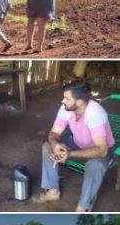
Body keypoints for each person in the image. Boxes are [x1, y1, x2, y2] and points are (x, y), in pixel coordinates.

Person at [32, 80, 115, 211]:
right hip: (78, 144)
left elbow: (102, 150)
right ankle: (53, 191)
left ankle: (83, 207)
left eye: (67, 98)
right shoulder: (67, 108)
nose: (62, 101)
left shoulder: (95, 114)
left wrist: (69, 154)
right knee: (47, 147)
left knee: (95, 166)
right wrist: (55, 144)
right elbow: (54, 132)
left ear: (80, 101)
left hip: (98, 151)